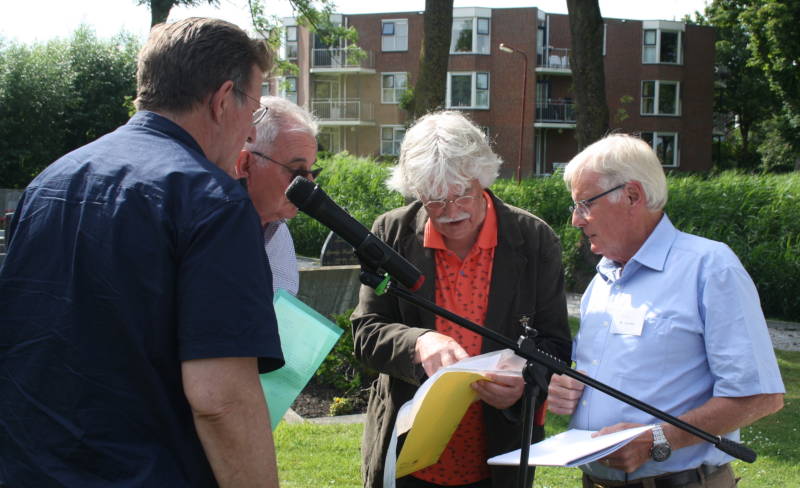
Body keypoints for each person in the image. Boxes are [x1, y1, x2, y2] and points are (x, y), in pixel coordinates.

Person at [0, 18, 285, 487]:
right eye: (253, 110)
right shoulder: (213, 201)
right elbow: (220, 399)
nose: (250, 135)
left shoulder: (47, 183)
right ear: (221, 99)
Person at [547, 133, 785, 488]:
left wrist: (657, 440)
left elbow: (760, 395)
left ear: (632, 196)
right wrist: (567, 388)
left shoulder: (709, 267)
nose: (576, 221)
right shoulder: (602, 282)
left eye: (584, 205)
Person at [351, 110, 572, 488]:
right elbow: (365, 333)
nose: (451, 213)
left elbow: (556, 347)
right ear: (415, 191)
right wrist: (417, 342)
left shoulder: (534, 239)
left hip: (496, 459)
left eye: (462, 195)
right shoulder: (391, 232)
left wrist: (524, 383)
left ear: (482, 178)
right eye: (434, 200)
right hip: (409, 458)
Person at [231, 96, 320, 296]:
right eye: (298, 173)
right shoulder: (209, 232)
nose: (309, 185)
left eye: (313, 172)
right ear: (245, 164)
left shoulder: (278, 233)